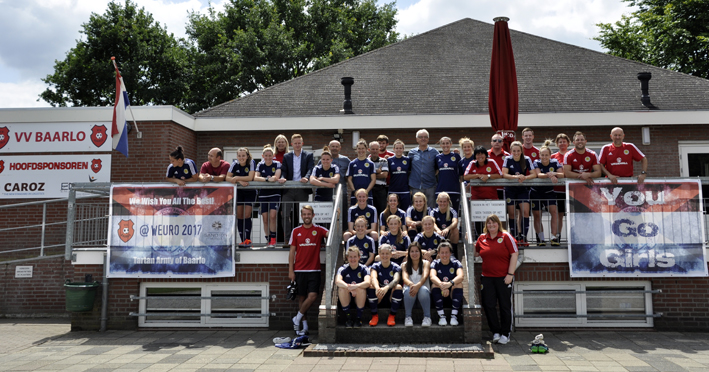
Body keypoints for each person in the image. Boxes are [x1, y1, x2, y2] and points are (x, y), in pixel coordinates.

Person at [475, 214, 519, 345]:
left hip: (504, 278)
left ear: (498, 224)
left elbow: (514, 254)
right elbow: (476, 252)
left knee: (505, 306)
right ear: (486, 225)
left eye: (493, 223)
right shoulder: (482, 238)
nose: (491, 225)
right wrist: (468, 242)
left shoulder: (506, 236)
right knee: (489, 306)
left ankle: (505, 333)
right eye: (489, 223)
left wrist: (510, 275)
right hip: (487, 278)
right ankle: (495, 332)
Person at [289, 205, 329, 335]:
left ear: (313, 215)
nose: (306, 216)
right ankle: (304, 326)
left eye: (309, 214)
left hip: (314, 270)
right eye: (304, 214)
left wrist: (338, 217)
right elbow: (292, 252)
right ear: (301, 216)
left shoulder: (318, 229)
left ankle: (297, 318)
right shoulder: (296, 231)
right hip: (299, 270)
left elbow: (331, 233)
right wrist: (291, 270)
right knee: (301, 298)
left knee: (312, 296)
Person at [282, 134, 315, 246]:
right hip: (289, 189)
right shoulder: (287, 156)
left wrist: (306, 177)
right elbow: (284, 171)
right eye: (295, 143)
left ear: (302, 143)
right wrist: (283, 178)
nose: (297, 145)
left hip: (302, 188)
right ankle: (287, 239)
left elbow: (311, 168)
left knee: (302, 215)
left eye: (299, 143)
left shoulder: (308, 155)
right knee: (285, 214)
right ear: (291, 144)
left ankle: (301, 238)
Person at [464, 145, 503, 239]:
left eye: (482, 154)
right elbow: (465, 176)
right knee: (478, 220)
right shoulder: (472, 163)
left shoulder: (492, 162)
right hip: (476, 197)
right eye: (477, 154)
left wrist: (488, 176)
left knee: (492, 220)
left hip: (491, 197)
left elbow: (500, 175)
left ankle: (494, 237)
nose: (480, 156)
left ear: (486, 155)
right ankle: (480, 239)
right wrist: (478, 175)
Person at [531, 140, 564, 246]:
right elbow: (538, 175)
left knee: (554, 212)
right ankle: (540, 239)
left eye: (546, 155)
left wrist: (554, 173)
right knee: (537, 215)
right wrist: (550, 175)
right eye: (542, 155)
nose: (544, 157)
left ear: (550, 155)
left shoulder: (554, 162)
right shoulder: (536, 162)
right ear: (539, 155)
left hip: (549, 192)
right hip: (536, 192)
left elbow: (562, 174)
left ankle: (554, 237)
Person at [502, 141, 536, 244]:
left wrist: (525, 177)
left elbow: (534, 174)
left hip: (523, 189)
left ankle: (523, 237)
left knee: (525, 212)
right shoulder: (508, 159)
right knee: (512, 214)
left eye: (518, 150)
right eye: (514, 151)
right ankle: (515, 237)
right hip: (510, 190)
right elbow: (504, 174)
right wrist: (516, 177)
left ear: (521, 151)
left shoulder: (527, 159)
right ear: (511, 151)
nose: (516, 153)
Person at [367, 244, 403, 326]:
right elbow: (373, 278)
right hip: (378, 295)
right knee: (371, 286)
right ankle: (374, 315)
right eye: (382, 253)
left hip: (390, 295)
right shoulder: (375, 266)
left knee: (398, 287)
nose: (385, 255)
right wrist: (377, 288)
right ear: (379, 254)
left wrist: (386, 288)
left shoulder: (396, 267)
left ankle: (392, 316)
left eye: (387, 253)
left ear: (391, 254)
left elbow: (396, 279)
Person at [254, 144, 283, 247]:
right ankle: (268, 239)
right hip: (263, 194)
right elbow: (255, 177)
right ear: (263, 156)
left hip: (275, 193)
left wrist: (272, 178)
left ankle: (273, 239)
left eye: (270, 155)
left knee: (273, 215)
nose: (268, 157)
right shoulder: (260, 165)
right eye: (266, 155)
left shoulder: (277, 163)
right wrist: (266, 179)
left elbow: (276, 176)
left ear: (273, 155)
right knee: (265, 218)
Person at [227, 147, 256, 247]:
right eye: (239, 156)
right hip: (239, 192)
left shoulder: (251, 162)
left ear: (247, 156)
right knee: (240, 216)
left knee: (247, 215)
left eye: (243, 155)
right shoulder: (235, 163)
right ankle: (243, 240)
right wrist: (239, 181)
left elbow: (250, 177)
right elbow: (227, 177)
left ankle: (248, 240)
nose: (241, 157)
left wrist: (236, 178)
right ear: (237, 156)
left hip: (250, 192)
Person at [430, 241, 465, 326]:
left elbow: (461, 276)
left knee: (459, 284)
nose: (444, 255)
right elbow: (432, 276)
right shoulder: (435, 263)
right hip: (439, 292)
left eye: (446, 252)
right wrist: (442, 285)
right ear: (438, 253)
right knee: (434, 284)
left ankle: (454, 316)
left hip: (451, 294)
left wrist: (450, 284)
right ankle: (441, 316)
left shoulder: (456, 263)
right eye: (442, 253)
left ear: (450, 253)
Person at [336, 246, 371, 328]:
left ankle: (359, 318)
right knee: (342, 288)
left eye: (355, 256)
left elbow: (368, 282)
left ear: (359, 257)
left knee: (361, 289)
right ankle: (348, 318)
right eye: (350, 257)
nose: (353, 259)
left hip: (359, 297)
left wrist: (355, 287)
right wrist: (349, 288)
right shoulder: (343, 268)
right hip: (347, 296)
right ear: (347, 257)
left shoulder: (364, 268)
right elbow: (337, 281)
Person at [401, 242, 432, 327]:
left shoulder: (426, 263)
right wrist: (412, 285)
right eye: (412, 251)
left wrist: (418, 286)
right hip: (410, 296)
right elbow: (405, 278)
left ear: (420, 252)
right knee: (407, 290)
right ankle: (408, 317)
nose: (414, 253)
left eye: (416, 251)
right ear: (409, 253)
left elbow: (425, 276)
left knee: (423, 289)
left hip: (423, 296)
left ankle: (427, 317)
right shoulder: (404, 265)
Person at [409, 129, 439, 209]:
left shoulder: (434, 152)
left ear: (428, 139)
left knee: (431, 209)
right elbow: (408, 168)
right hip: (415, 186)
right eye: (421, 137)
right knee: (417, 208)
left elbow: (438, 168)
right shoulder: (411, 153)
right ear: (417, 139)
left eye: (425, 137)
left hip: (431, 186)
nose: (423, 139)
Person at [550, 133, 571, 244]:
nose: (562, 143)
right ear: (557, 144)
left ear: (568, 143)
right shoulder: (553, 157)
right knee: (559, 214)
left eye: (564, 141)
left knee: (573, 214)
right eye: (560, 142)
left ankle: (573, 237)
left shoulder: (572, 155)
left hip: (572, 189)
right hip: (558, 190)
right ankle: (557, 236)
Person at [329, 139, 352, 232]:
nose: (334, 148)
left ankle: (342, 234)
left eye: (336, 146)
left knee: (342, 213)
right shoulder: (325, 159)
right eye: (333, 146)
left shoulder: (346, 160)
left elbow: (350, 175)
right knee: (329, 213)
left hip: (342, 191)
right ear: (329, 147)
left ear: (340, 148)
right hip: (328, 192)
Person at [435, 136, 461, 212]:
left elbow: (461, 171)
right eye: (443, 143)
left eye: (447, 143)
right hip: (441, 190)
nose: (445, 145)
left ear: (451, 144)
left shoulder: (456, 156)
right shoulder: (437, 157)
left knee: (454, 212)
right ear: (440, 145)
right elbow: (435, 172)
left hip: (454, 189)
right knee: (440, 211)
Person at [347, 139, 376, 206]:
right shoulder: (352, 163)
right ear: (356, 149)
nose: (361, 150)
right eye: (359, 148)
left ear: (366, 149)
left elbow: (373, 180)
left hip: (368, 194)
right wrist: (355, 191)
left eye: (363, 148)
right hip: (355, 195)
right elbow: (349, 179)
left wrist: (366, 191)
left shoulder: (371, 164)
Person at [430, 192, 460, 257]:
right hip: (438, 233)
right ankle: (435, 252)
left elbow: (455, 222)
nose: (442, 203)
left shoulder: (452, 211)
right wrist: (438, 230)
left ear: (448, 202)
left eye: (444, 201)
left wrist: (447, 229)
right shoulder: (433, 212)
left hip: (448, 234)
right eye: (440, 201)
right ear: (437, 201)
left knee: (455, 230)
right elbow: (432, 222)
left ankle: (453, 253)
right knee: (431, 229)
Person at [387, 139, 412, 211]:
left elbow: (410, 173)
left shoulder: (407, 160)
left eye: (400, 148)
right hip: (393, 190)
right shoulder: (389, 160)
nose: (398, 150)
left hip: (405, 190)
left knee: (405, 211)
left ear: (403, 149)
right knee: (392, 211)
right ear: (393, 149)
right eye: (397, 148)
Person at [368, 141, 390, 215]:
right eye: (373, 149)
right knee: (370, 212)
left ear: (379, 149)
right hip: (369, 189)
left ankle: (382, 227)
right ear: (369, 150)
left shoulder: (383, 160)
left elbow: (384, 175)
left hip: (381, 189)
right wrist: (377, 172)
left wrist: (371, 175)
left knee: (382, 211)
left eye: (376, 149)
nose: (375, 151)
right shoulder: (366, 161)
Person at [488, 134, 510, 200]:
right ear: (491, 143)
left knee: (503, 209)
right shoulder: (485, 154)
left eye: (499, 140)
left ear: (503, 143)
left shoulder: (507, 156)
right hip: (488, 187)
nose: (497, 142)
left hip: (503, 188)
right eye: (494, 140)